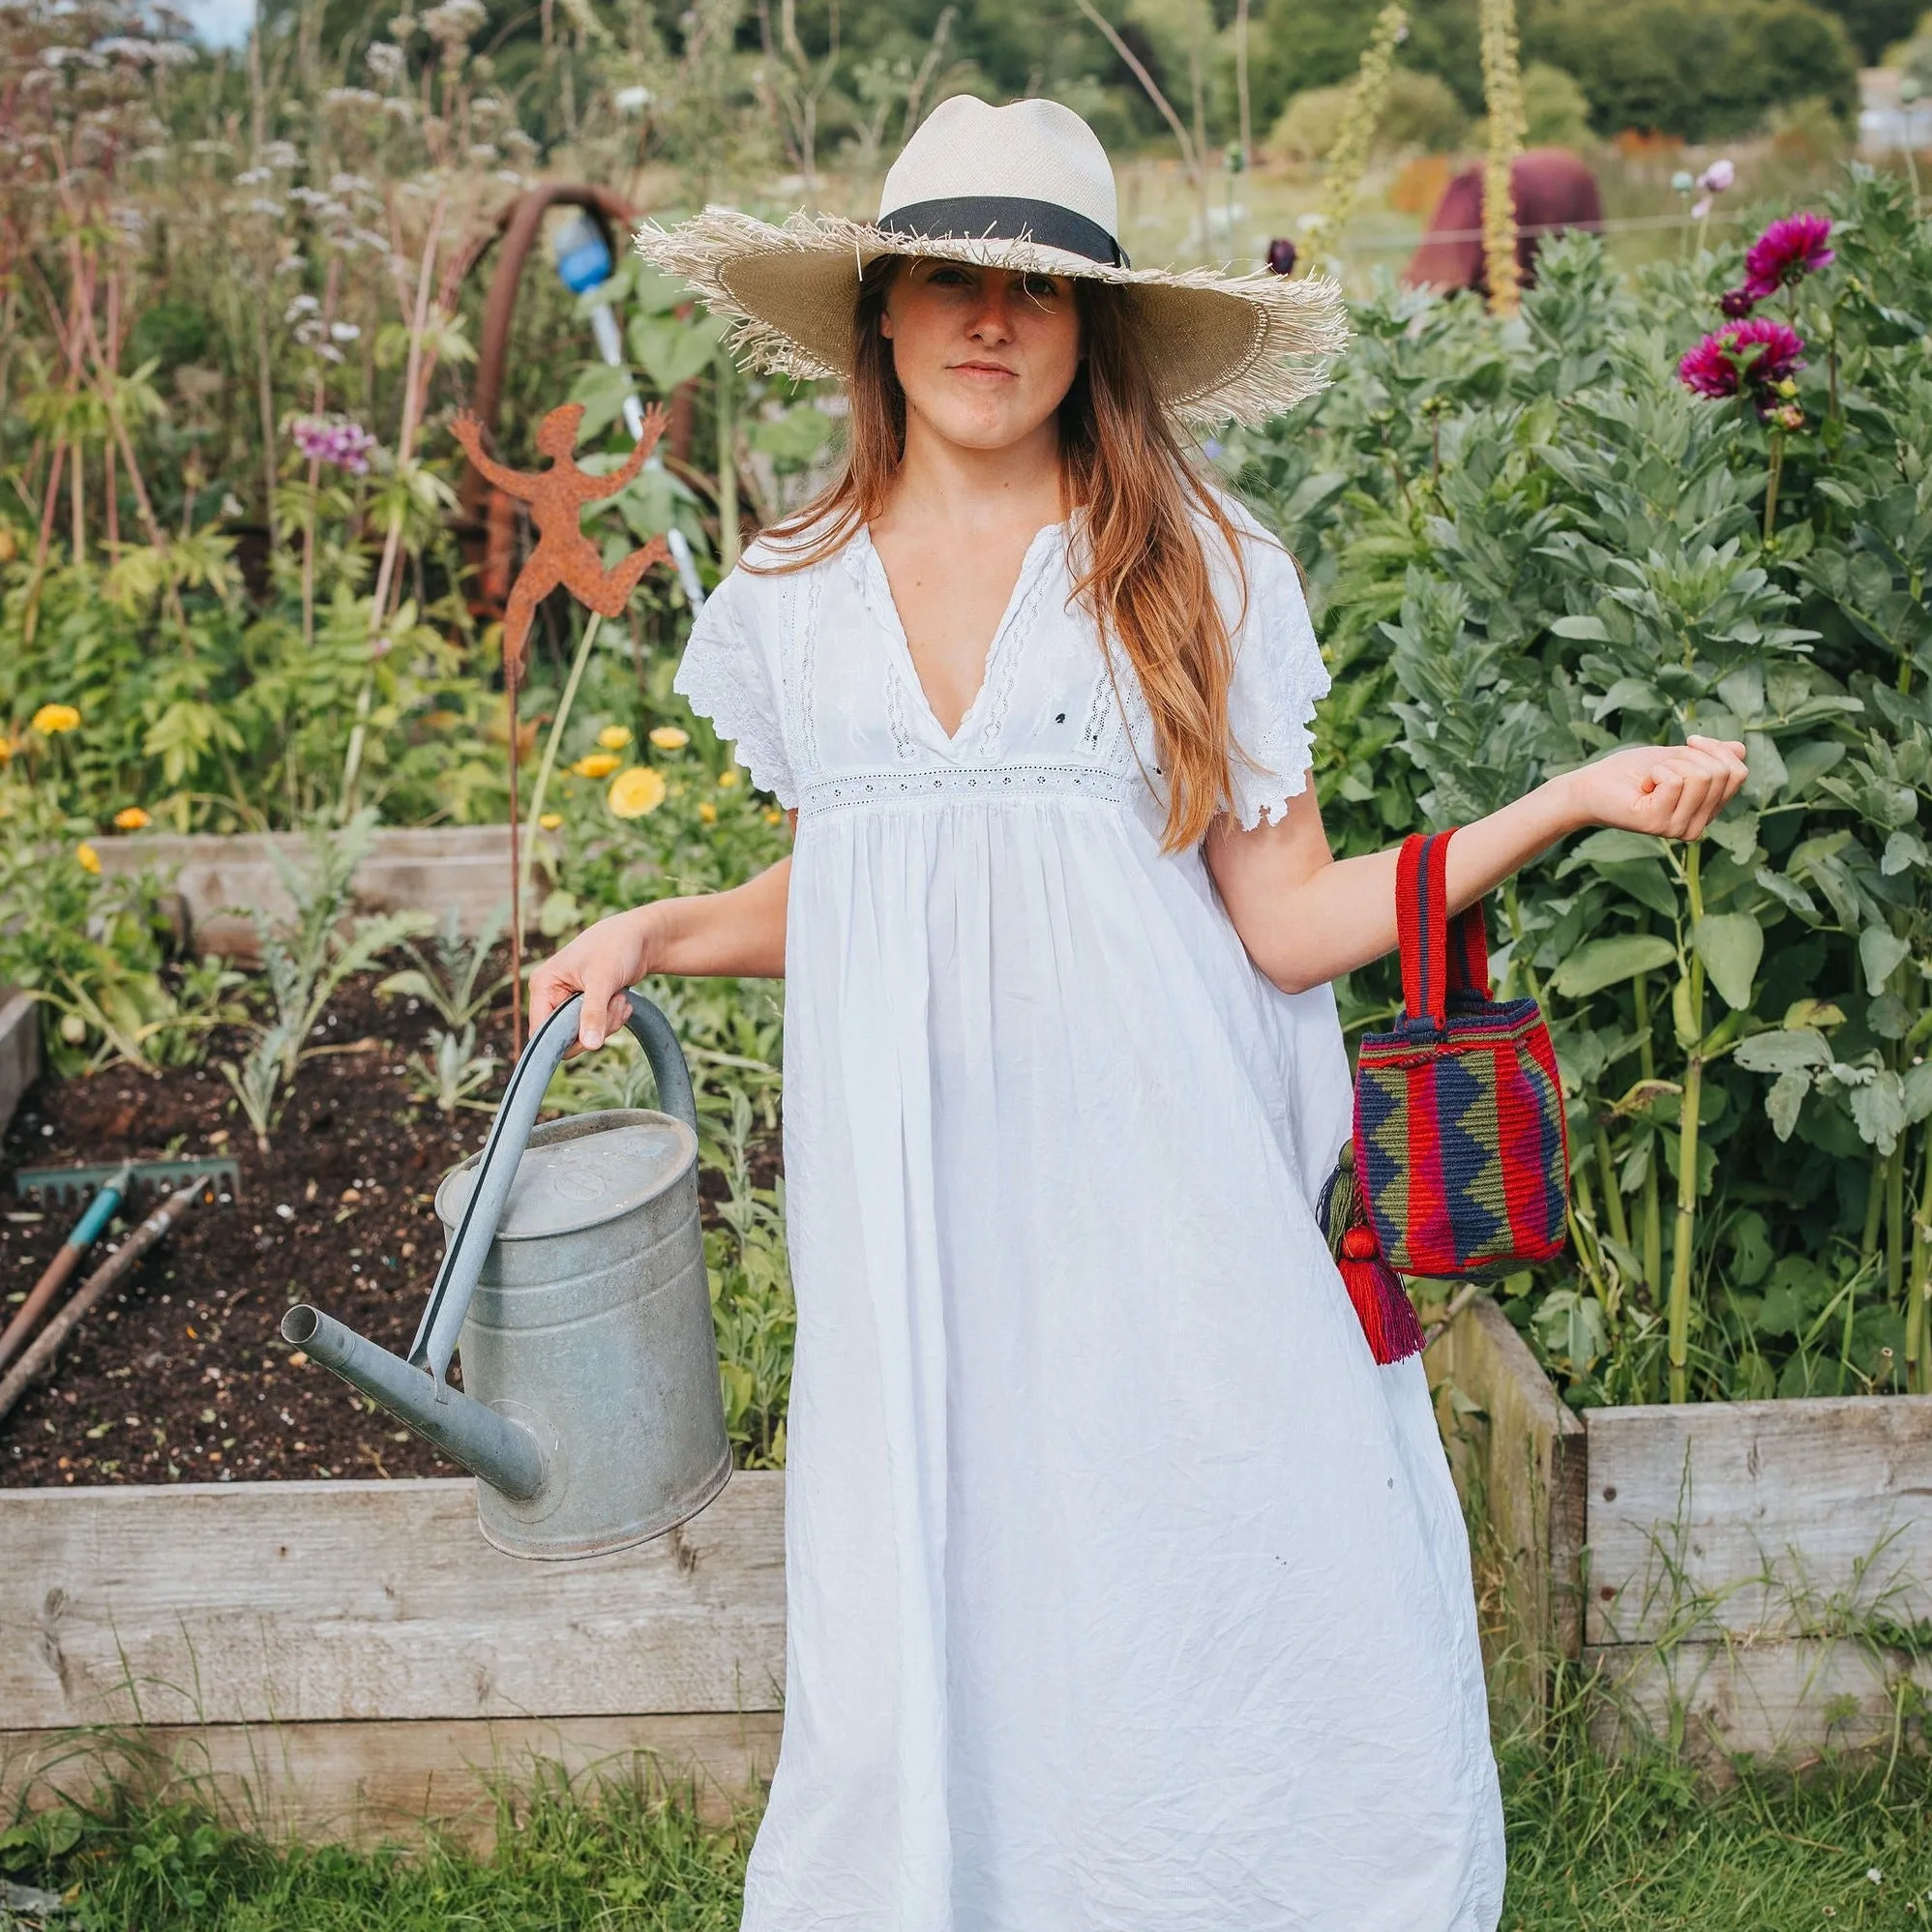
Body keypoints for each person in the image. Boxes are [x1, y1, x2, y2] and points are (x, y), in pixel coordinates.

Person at [530, 95, 1746, 1932]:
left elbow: (1286, 923)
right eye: (948, 278)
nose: (989, 322)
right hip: (918, 1187)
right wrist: (648, 925)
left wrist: (1563, 799)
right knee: (949, 1534)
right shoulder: (794, 596)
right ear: (880, 309)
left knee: (1198, 1524)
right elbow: (869, 880)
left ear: (1098, 323)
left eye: (1036, 287)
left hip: (1155, 1171)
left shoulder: (1196, 564)